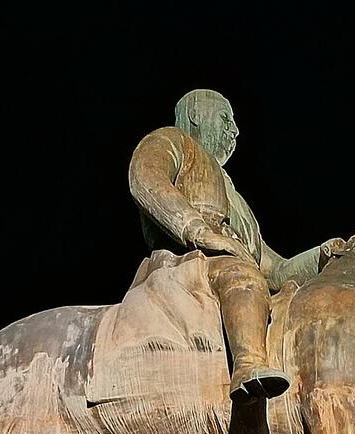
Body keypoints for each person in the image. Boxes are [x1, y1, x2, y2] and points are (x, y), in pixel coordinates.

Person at [129, 90, 327, 401]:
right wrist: (199, 231)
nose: (234, 131)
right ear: (196, 113)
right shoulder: (172, 141)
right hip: (189, 264)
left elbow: (276, 270)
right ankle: (248, 366)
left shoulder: (231, 192)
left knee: (269, 290)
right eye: (225, 119)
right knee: (243, 276)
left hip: (232, 267)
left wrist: (322, 257)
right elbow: (145, 177)